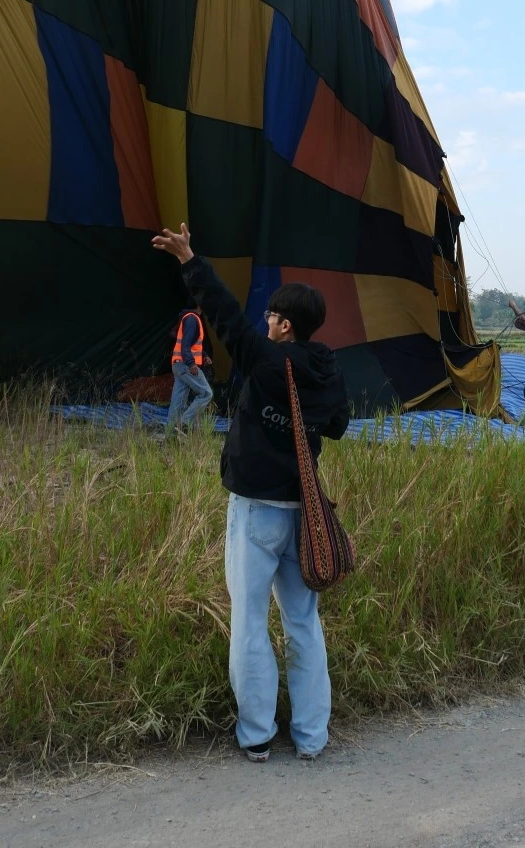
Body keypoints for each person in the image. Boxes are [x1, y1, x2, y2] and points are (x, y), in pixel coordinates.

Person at [152, 223, 350, 764]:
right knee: (303, 623)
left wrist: (190, 260)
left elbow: (223, 314)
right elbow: (336, 426)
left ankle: (258, 733)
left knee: (249, 622)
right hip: (304, 516)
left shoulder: (265, 359)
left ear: (285, 324)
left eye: (271, 316)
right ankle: (311, 736)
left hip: (257, 511)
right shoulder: (328, 369)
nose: (264, 321)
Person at [166, 305, 215, 433]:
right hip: (186, 365)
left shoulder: (187, 317)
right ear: (199, 305)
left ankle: (170, 435)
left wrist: (204, 355)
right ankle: (184, 424)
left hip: (178, 364)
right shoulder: (192, 319)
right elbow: (185, 345)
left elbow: (191, 344)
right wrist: (191, 363)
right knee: (206, 393)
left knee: (177, 402)